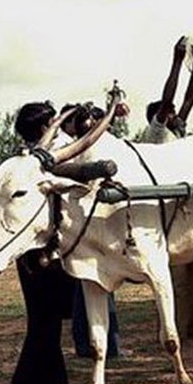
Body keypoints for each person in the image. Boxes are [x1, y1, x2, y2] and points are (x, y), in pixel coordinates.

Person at [141, 36, 193, 339]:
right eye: (169, 113)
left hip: (187, 210)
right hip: (165, 214)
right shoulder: (155, 133)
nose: (175, 115)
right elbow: (170, 100)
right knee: (177, 276)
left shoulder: (177, 131)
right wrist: (178, 61)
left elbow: (189, 101)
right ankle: (175, 333)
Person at [9, 102, 75, 384]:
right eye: (53, 121)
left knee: (43, 318)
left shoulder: (23, 161)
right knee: (44, 319)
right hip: (42, 250)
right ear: (42, 129)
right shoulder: (39, 164)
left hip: (30, 250)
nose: (58, 125)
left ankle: (52, 376)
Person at [62, 102, 123, 359]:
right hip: (84, 229)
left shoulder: (80, 147)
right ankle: (100, 346)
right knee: (90, 286)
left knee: (91, 287)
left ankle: (97, 345)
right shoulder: (71, 151)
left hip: (89, 228)